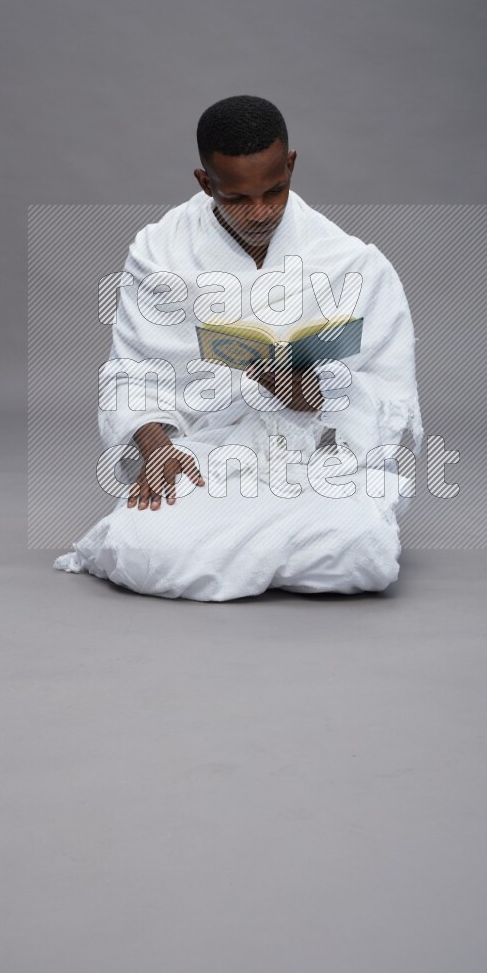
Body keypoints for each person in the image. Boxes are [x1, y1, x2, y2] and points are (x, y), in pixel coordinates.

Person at [53, 95, 422, 601]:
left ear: (290, 165)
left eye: (275, 191)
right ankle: (275, 551)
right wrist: (156, 448)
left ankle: (252, 548)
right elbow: (134, 371)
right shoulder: (160, 252)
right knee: (141, 549)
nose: (261, 212)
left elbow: (390, 392)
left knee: (363, 552)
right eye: (238, 199)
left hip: (315, 453)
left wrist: (319, 394)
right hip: (213, 449)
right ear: (206, 183)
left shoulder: (353, 263)